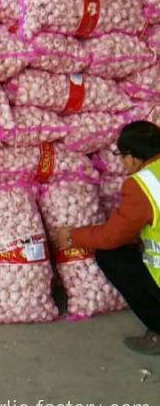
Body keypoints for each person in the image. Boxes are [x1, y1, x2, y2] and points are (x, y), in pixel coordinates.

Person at [54, 121, 160, 355]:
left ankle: (158, 328)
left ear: (132, 158)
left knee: (111, 255)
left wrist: (72, 235)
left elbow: (111, 238)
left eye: (121, 156)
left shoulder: (143, 186)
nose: (121, 162)